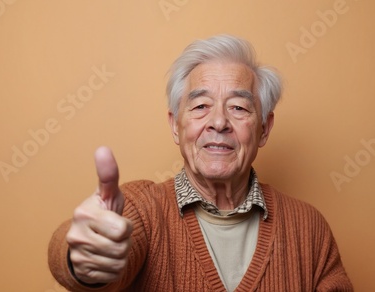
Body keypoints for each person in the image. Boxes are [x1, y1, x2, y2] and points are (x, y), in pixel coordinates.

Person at [48, 35, 353, 292]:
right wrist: (82, 257)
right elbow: (75, 250)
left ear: (264, 128)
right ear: (175, 126)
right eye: (200, 106)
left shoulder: (309, 227)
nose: (219, 122)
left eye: (238, 107)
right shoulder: (141, 209)